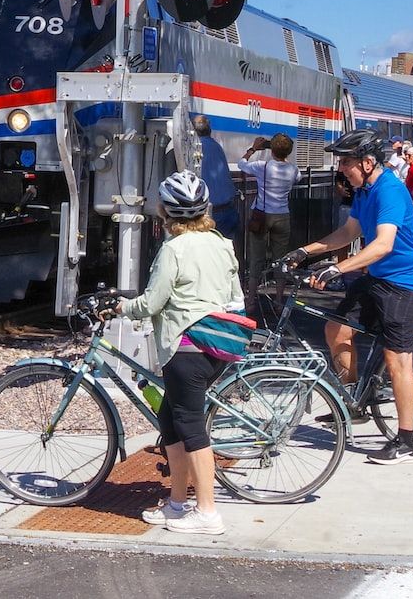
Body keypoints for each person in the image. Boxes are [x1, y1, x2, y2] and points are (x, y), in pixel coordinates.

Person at [287, 127, 413, 466]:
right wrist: (303, 252)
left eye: (346, 162)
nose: (340, 169)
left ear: (368, 163)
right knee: (335, 328)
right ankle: (352, 404)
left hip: (406, 281)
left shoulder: (390, 191)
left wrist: (338, 270)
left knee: (397, 359)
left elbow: (383, 244)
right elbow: (349, 232)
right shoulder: (364, 191)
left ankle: (407, 441)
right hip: (378, 276)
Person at [114, 170, 240, 535]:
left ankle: (207, 512)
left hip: (185, 348)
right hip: (215, 344)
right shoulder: (221, 243)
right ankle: (176, 503)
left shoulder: (172, 249)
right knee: (170, 420)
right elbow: (234, 297)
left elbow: (153, 302)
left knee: (191, 428)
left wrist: (123, 308)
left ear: (165, 211)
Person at [239, 133, 298, 282]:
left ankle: (251, 300)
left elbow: (242, 164)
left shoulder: (262, 166)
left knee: (256, 259)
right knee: (280, 261)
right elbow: (297, 179)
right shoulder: (294, 170)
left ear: (271, 150)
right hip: (283, 216)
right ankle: (279, 303)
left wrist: (253, 149)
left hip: (262, 216)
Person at [192, 117, 240, 248]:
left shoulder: (195, 150)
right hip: (228, 210)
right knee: (225, 254)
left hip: (211, 214)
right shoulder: (216, 146)